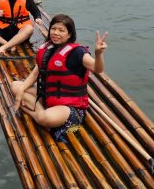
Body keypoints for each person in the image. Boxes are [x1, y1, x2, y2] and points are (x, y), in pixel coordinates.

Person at [11, 14, 108, 143]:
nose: (56, 33)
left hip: (69, 108)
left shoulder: (77, 52)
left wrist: (98, 54)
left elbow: (98, 69)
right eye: (54, 29)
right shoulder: (47, 49)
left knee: (45, 117)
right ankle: (41, 113)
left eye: (61, 30)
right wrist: (22, 90)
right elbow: (35, 74)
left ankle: (40, 117)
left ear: (69, 35)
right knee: (15, 86)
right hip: (48, 97)